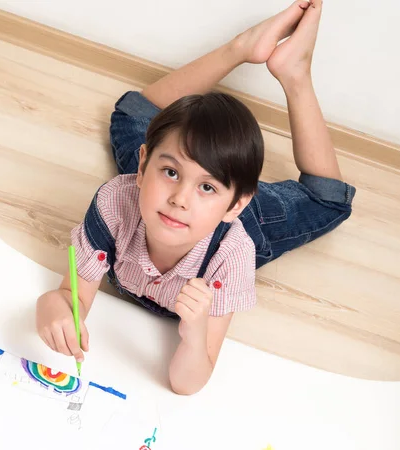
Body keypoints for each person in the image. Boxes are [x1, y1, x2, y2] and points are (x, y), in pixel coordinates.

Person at [36, 0, 356, 395]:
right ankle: (242, 47)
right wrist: (52, 311)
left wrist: (195, 330)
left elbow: (188, 383)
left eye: (206, 187)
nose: (180, 199)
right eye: (170, 173)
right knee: (133, 115)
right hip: (162, 190)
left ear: (234, 201)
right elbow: (70, 296)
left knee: (328, 201)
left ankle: (295, 72)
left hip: (242, 224)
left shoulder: (232, 253)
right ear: (143, 166)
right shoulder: (115, 203)